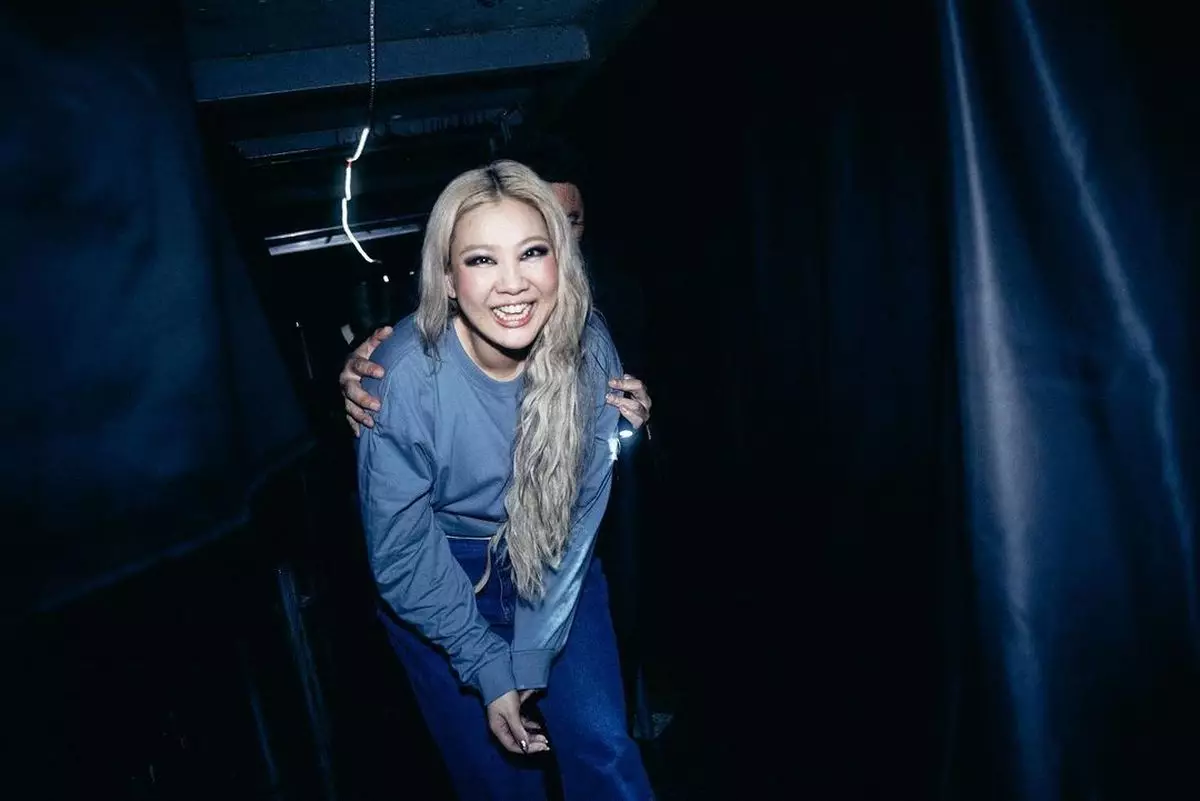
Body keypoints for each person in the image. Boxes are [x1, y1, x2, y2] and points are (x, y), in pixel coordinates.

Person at [356, 160, 656, 800]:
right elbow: (402, 552)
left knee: (604, 752)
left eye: (532, 252)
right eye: (481, 259)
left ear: (561, 258)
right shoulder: (402, 376)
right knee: (498, 784)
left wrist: (530, 656)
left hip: (555, 560)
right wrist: (489, 666)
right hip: (438, 577)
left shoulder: (590, 350)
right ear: (446, 277)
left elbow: (579, 517)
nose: (512, 283)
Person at [338, 145, 653, 435]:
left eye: (571, 222)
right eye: (546, 222)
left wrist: (629, 415)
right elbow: (392, 354)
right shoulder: (455, 294)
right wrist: (360, 374)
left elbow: (627, 393)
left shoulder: (613, 297)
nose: (560, 239)